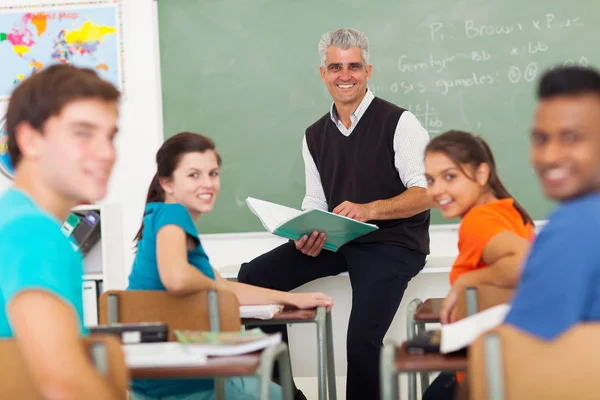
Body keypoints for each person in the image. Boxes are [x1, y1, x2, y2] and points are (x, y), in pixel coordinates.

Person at [237, 28, 433, 400]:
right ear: (323, 74)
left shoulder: (399, 123)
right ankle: (286, 395)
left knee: (361, 340)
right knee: (253, 278)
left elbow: (426, 193)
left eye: (354, 66)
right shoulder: (314, 135)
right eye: (336, 67)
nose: (345, 75)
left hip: (392, 244)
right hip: (340, 240)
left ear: (368, 71)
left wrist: (369, 209)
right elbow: (316, 202)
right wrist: (306, 232)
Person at [127, 132, 333, 400]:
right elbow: (178, 279)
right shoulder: (173, 215)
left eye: (213, 173)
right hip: (191, 382)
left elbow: (224, 288)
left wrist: (290, 298)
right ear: (167, 182)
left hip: (153, 382)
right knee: (282, 393)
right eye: (193, 175)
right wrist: (213, 288)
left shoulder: (160, 222)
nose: (208, 183)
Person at [0, 65, 123, 399]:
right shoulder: (34, 233)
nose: (108, 153)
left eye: (110, 136)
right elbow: (64, 384)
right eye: (83, 133)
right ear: (29, 140)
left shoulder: (10, 219)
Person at [421, 130, 535, 400]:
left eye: (450, 176)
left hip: (490, 371)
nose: (437, 190)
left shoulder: (478, 222)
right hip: (516, 363)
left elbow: (524, 263)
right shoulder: (510, 211)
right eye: (430, 179)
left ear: (482, 175)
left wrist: (465, 281)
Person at [504, 66, 600, 338]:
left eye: (571, 138)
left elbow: (519, 357)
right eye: (540, 139)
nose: (549, 156)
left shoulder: (575, 225)